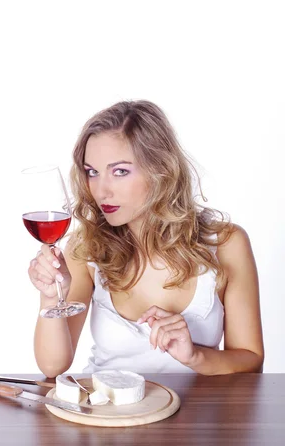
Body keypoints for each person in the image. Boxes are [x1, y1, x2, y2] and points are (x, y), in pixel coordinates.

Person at [28, 100, 264, 377]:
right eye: (92, 172)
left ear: (160, 170)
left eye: (120, 171)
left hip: (193, 416)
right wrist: (50, 297)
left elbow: (251, 360)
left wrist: (196, 356)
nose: (102, 190)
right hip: (106, 413)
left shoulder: (225, 244)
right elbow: (53, 366)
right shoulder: (87, 248)